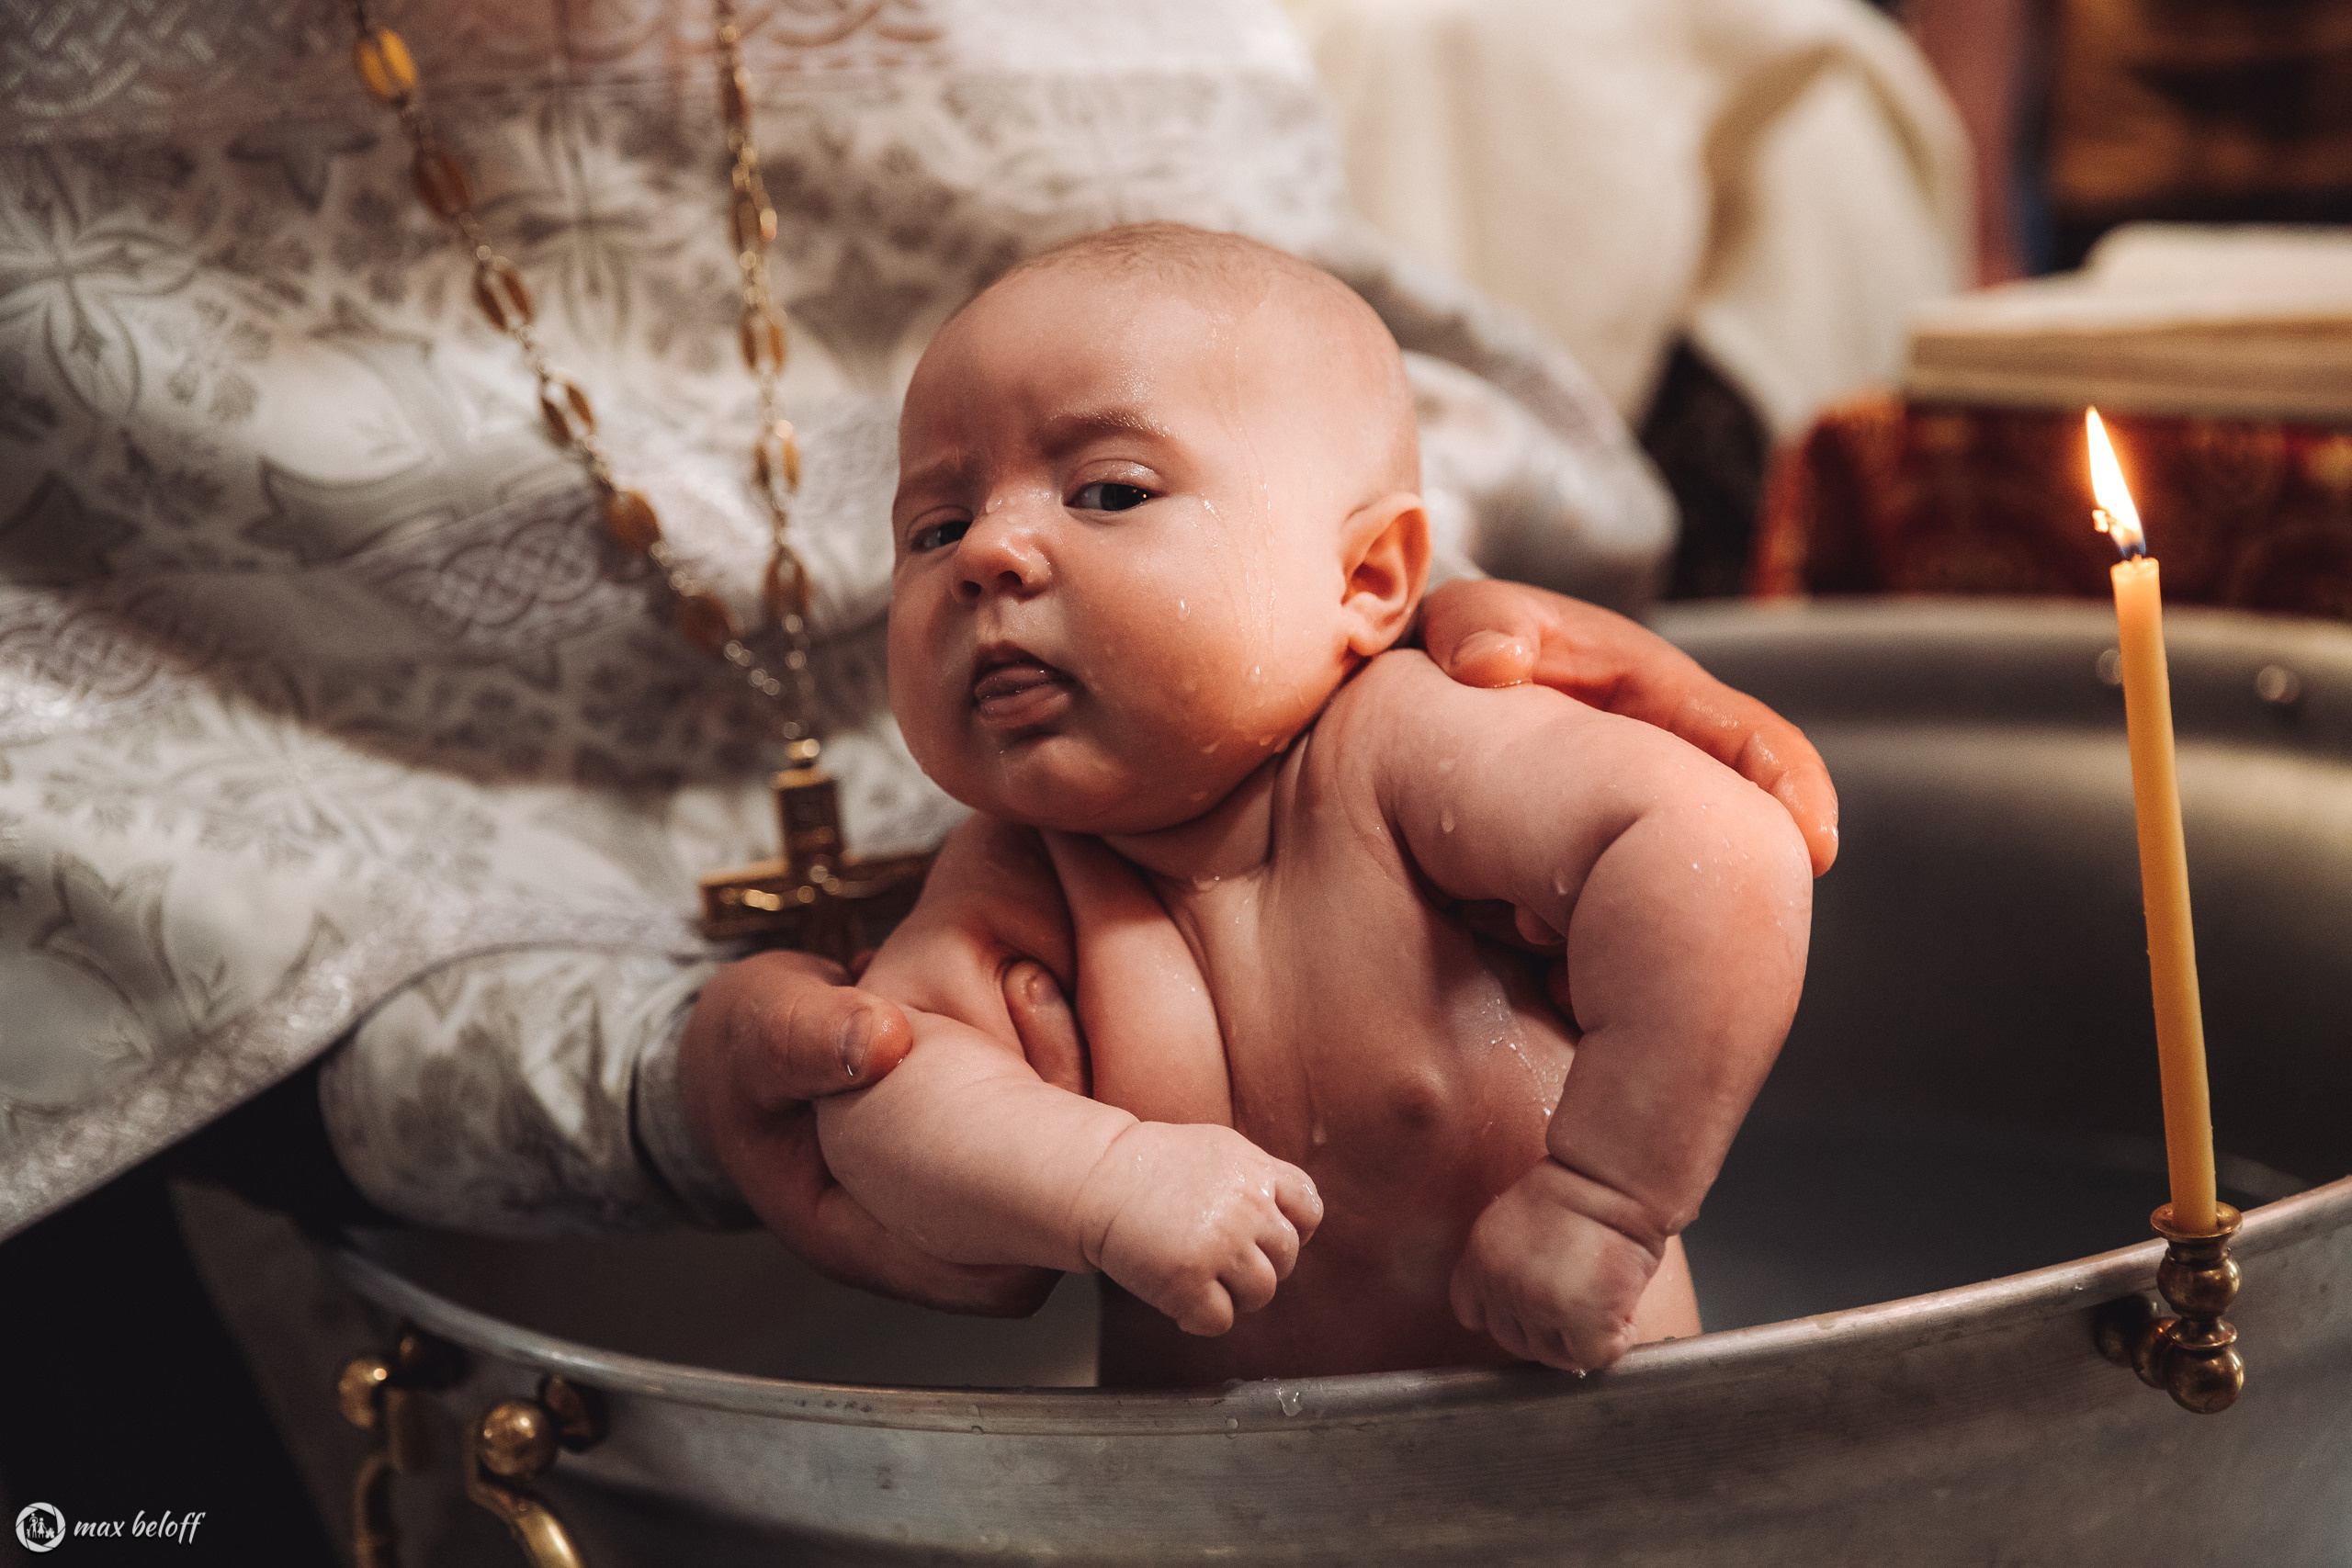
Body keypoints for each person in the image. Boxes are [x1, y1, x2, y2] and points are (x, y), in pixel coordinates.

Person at [785, 225, 1811, 1382]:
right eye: (935, 527)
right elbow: (882, 1106)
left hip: (1578, 1436)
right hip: (1230, 1504)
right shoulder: (1019, 871)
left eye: (1109, 491)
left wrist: (1606, 1196)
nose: (991, 552)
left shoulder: (1406, 744)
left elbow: (1714, 850)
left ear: (1367, 580)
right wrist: (1104, 1182)